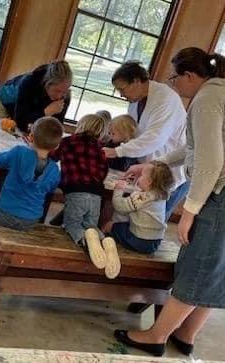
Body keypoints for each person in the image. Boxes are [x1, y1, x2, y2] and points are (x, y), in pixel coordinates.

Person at [114, 47, 225, 357]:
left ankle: (157, 335)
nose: (174, 84)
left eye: (176, 77)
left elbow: (209, 161)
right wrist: (154, 164)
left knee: (198, 265)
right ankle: (186, 334)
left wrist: (188, 212)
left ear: (190, 76)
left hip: (220, 196)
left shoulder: (207, 98)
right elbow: (193, 147)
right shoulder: (219, 92)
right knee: (217, 269)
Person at [0, 60, 72, 212]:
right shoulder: (29, 82)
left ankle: (7, 199)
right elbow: (21, 120)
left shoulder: (64, 96)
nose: (61, 95)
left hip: (32, 116)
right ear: (46, 84)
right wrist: (46, 112)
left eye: (65, 91)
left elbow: (53, 126)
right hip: (5, 104)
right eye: (57, 91)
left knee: (26, 151)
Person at [0, 116, 63, 268]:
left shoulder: (19, 152)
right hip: (31, 220)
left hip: (4, 213)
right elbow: (51, 188)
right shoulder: (54, 170)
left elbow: (0, 160)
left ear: (30, 137)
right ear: (56, 146)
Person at [103, 61, 187, 221]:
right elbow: (134, 132)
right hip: (146, 168)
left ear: (136, 81)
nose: (121, 94)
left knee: (151, 222)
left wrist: (117, 152)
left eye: (122, 89)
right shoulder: (135, 103)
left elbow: (155, 138)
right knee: (133, 219)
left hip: (170, 171)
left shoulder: (165, 98)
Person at [49, 114, 120, 278]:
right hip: (96, 194)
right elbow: (103, 172)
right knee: (91, 226)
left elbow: (52, 157)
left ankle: (83, 240)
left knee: (72, 224)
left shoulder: (68, 142)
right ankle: (104, 241)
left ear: (80, 125)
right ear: (101, 133)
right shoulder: (100, 150)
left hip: (75, 191)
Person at [106, 161, 174, 255]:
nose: (139, 177)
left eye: (141, 175)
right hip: (155, 241)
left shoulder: (142, 198)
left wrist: (119, 189)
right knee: (124, 223)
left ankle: (102, 246)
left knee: (109, 225)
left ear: (149, 182)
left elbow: (119, 206)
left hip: (140, 240)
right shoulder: (160, 195)